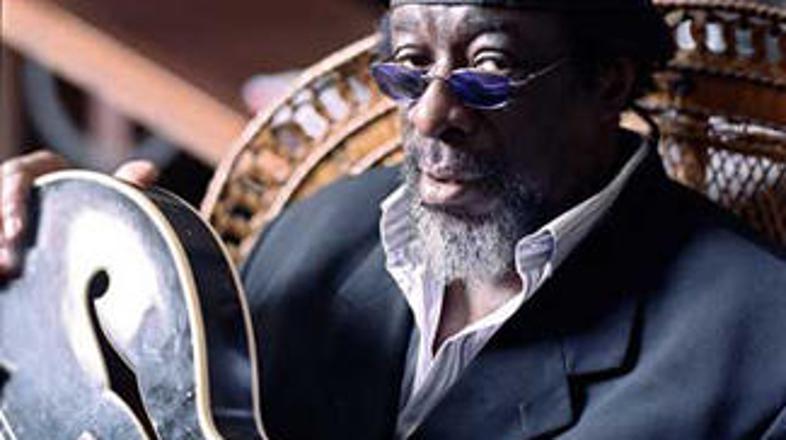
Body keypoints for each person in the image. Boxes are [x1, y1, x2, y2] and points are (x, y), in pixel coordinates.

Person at [2, 0, 786, 438]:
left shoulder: (760, 351)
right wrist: (51, 281)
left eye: (489, 68)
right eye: (410, 64)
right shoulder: (317, 231)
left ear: (606, 83)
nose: (431, 115)